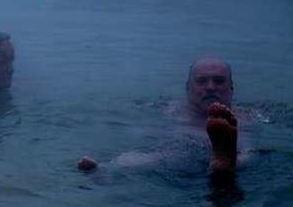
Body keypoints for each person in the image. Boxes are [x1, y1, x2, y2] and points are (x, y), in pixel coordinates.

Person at [77, 57, 240, 185]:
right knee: (156, 154)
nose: (210, 87)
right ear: (188, 87)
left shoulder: (250, 116)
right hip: (178, 154)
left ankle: (225, 161)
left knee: (247, 155)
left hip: (221, 153)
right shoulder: (167, 109)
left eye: (219, 81)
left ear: (231, 87)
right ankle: (108, 169)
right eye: (202, 81)